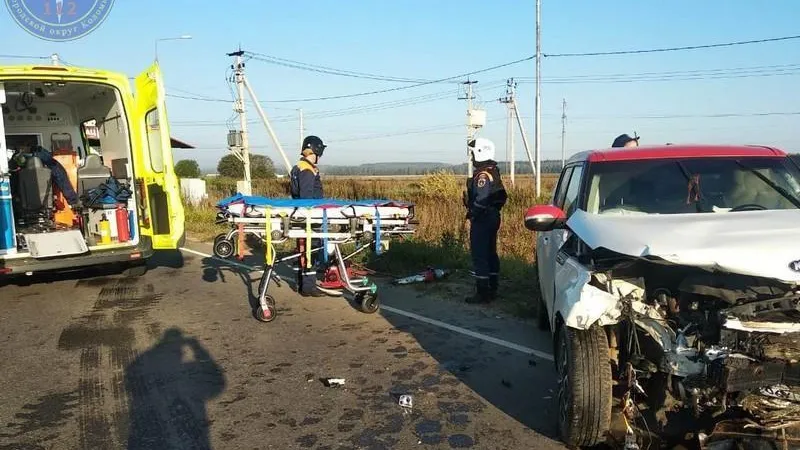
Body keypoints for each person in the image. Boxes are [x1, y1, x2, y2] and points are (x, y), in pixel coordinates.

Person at [463, 137, 507, 304]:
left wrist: (472, 212)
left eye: (473, 154)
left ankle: (483, 293)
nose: (472, 158)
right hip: (493, 216)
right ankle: (493, 288)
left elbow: (481, 200)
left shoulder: (483, 175)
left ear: (480, 152)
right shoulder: (492, 171)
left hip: (483, 218)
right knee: (490, 252)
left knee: (480, 254)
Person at [289, 135, 326, 297]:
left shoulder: (299, 166)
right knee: (312, 248)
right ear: (316, 150)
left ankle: (300, 282)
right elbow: (307, 196)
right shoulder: (307, 169)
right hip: (310, 215)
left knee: (302, 248)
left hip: (301, 215)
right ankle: (309, 286)